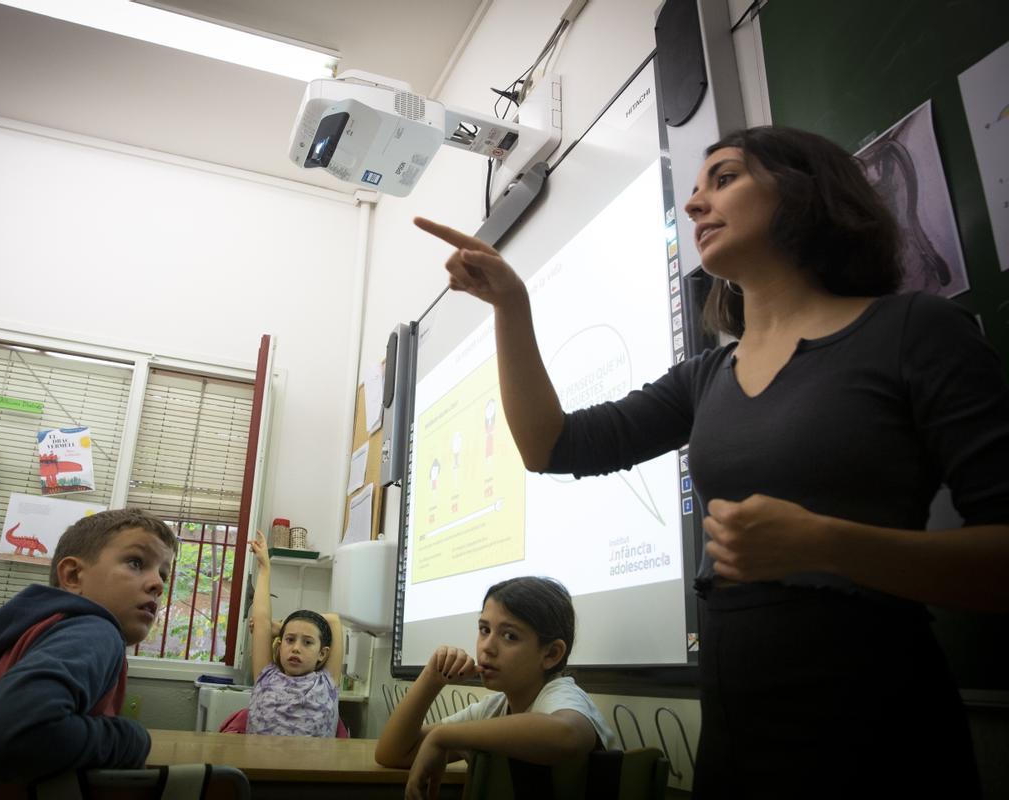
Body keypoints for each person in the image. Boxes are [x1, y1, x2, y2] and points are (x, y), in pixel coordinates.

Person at [413, 125, 1009, 799]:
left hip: (878, 733)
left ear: (807, 193)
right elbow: (552, 447)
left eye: (724, 179)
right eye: (694, 190)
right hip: (738, 736)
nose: (695, 204)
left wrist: (827, 543)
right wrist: (510, 305)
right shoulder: (707, 376)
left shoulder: (914, 332)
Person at [0, 508, 177, 800]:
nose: (158, 584)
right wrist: (132, 739)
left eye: (163, 574)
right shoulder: (94, 630)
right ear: (73, 575)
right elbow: (15, 738)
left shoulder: (16, 639)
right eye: (136, 563)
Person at [375, 576, 613, 800]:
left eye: (509, 636)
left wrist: (443, 736)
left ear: (551, 654)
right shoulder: (493, 709)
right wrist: (431, 678)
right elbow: (391, 753)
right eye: (484, 630)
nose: (487, 647)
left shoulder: (561, 693)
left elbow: (568, 735)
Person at [245, 529, 343, 736]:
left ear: (322, 654)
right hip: (262, 766)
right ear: (280, 646)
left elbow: (334, 621)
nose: (296, 648)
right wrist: (264, 567)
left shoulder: (327, 681)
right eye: (290, 640)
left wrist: (282, 628)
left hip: (310, 768)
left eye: (307, 642)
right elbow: (261, 620)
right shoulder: (266, 676)